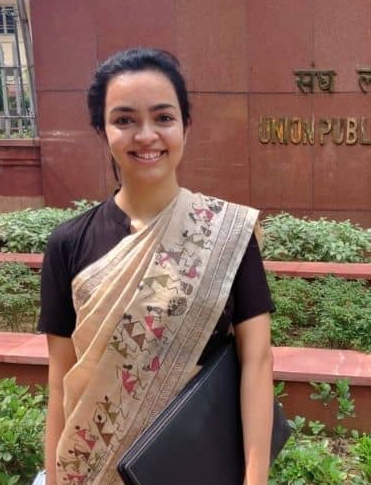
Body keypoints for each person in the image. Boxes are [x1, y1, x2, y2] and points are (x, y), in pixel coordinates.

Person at [37, 48, 275, 485]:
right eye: (125, 120)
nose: (146, 135)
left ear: (186, 125)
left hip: (199, 468)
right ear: (102, 130)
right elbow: (59, 381)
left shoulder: (229, 234)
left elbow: (257, 363)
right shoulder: (68, 243)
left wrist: (254, 479)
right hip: (94, 473)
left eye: (163, 117)